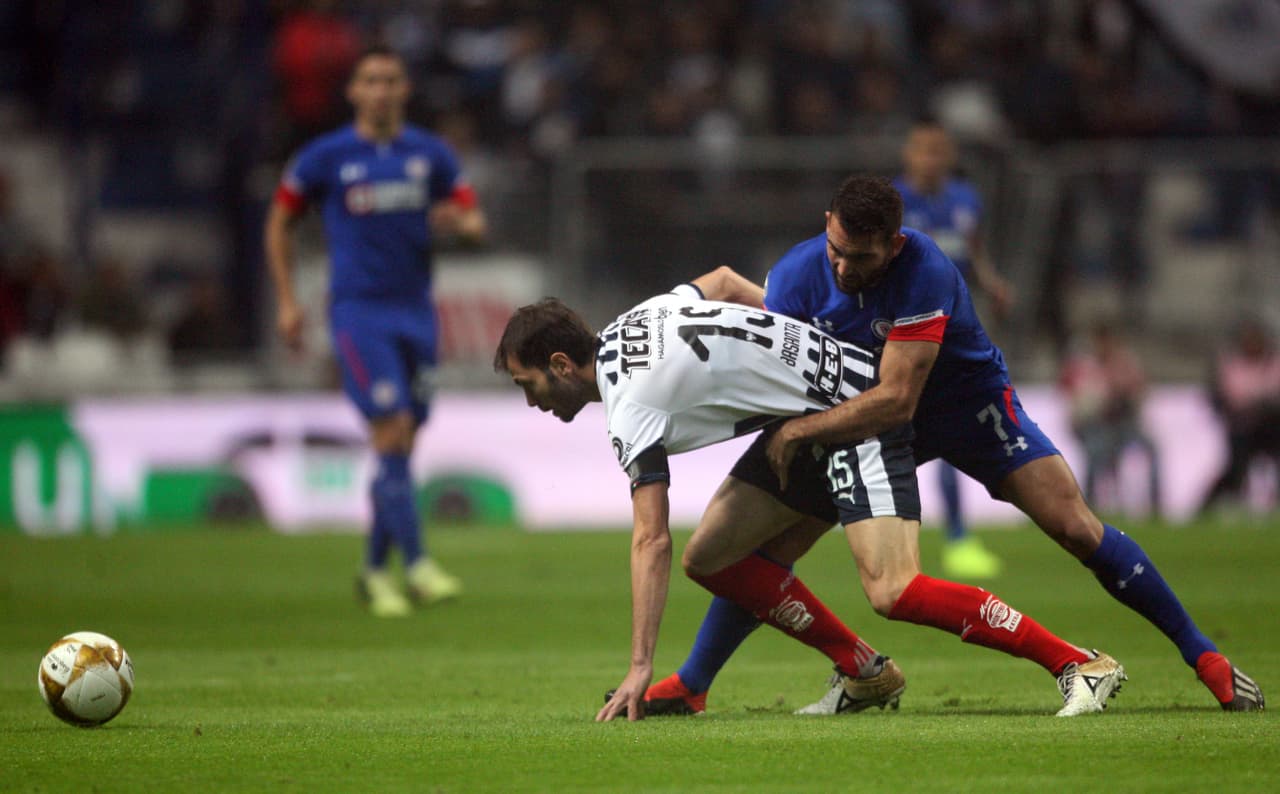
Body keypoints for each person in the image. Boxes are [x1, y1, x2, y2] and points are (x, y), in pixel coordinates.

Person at [645, 175, 1263, 714]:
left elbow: (899, 397)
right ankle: (699, 683)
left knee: (1075, 527)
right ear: (826, 226)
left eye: (859, 258)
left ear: (894, 243)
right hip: (869, 422)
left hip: (966, 407)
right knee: (763, 551)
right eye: (836, 249)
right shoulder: (797, 275)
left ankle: (1203, 655)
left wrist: (801, 432)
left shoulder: (926, 272)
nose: (842, 268)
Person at [495, 276, 1124, 722]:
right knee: (712, 556)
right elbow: (718, 282)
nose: (532, 402)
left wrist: (637, 664)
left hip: (856, 418)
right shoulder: (638, 318)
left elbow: (650, 537)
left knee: (893, 590)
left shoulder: (629, 405)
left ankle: (1076, 663)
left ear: (560, 363)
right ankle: (864, 670)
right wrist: (790, 347)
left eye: (529, 386)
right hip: (802, 428)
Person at [265, 45, 487, 617]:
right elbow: (280, 221)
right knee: (389, 429)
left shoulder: (430, 154)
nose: (381, 90)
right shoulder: (326, 157)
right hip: (359, 313)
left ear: (405, 89)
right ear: (354, 92)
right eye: (370, 80)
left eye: (391, 79)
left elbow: (474, 222)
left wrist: (458, 222)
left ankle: (371, 571)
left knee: (403, 443)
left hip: (416, 312)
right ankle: (415, 565)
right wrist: (288, 301)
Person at [894, 118, 1010, 578]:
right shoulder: (893, 201)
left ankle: (958, 537)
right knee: (907, 429)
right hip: (905, 332)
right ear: (909, 154)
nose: (931, 159)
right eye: (923, 149)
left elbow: (973, 251)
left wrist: (991, 281)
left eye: (939, 150)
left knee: (944, 433)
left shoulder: (966, 200)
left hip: (954, 332)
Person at [1058, 321, 1161, 517]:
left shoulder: (1124, 363)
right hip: (1093, 425)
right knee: (1097, 452)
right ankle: (1089, 505)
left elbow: (1140, 391)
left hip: (1122, 425)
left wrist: (1125, 397)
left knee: (1152, 449)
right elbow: (1074, 398)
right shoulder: (1084, 366)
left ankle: (1155, 507)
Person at [1197, 318, 1280, 515]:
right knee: (1235, 469)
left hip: (1272, 426)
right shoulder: (1232, 363)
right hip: (1242, 427)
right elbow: (1231, 396)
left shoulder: (1273, 362)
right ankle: (1207, 505)